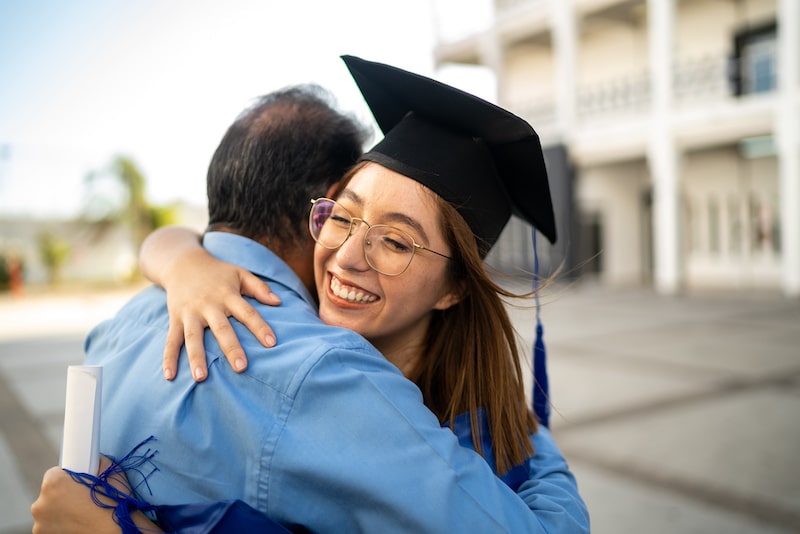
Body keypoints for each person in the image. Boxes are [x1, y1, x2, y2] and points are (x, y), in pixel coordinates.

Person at [32, 58, 588, 533]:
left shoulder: (124, 321)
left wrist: (532, 440)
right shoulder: (321, 374)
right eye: (343, 216)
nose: (347, 256)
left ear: (455, 288)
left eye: (395, 241)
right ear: (314, 213)